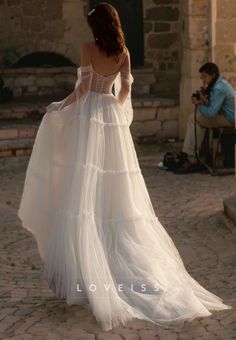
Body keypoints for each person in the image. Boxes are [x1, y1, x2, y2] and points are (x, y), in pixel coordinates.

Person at [17, 2, 232, 332]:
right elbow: (126, 89)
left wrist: (61, 106)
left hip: (90, 118)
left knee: (84, 182)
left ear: (96, 25)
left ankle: (85, 271)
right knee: (116, 188)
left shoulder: (88, 48)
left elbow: (84, 88)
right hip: (111, 121)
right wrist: (114, 113)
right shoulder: (124, 52)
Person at [176, 62, 235, 173]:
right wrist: (204, 100)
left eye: (204, 77)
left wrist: (198, 103)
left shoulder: (219, 88)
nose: (203, 80)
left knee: (194, 118)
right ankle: (193, 155)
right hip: (229, 116)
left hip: (231, 119)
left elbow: (211, 113)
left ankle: (191, 156)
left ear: (212, 75)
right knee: (197, 118)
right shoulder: (220, 82)